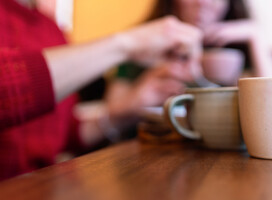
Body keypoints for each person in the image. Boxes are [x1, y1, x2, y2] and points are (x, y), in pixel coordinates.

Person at [0, 0, 202, 180]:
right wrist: (127, 43)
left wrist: (126, 110)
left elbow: (63, 134)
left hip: (37, 198)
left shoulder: (51, 29)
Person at [115, 0, 272, 88]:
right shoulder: (143, 40)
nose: (203, 2)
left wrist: (256, 35)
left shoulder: (240, 47)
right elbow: (114, 108)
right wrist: (150, 79)